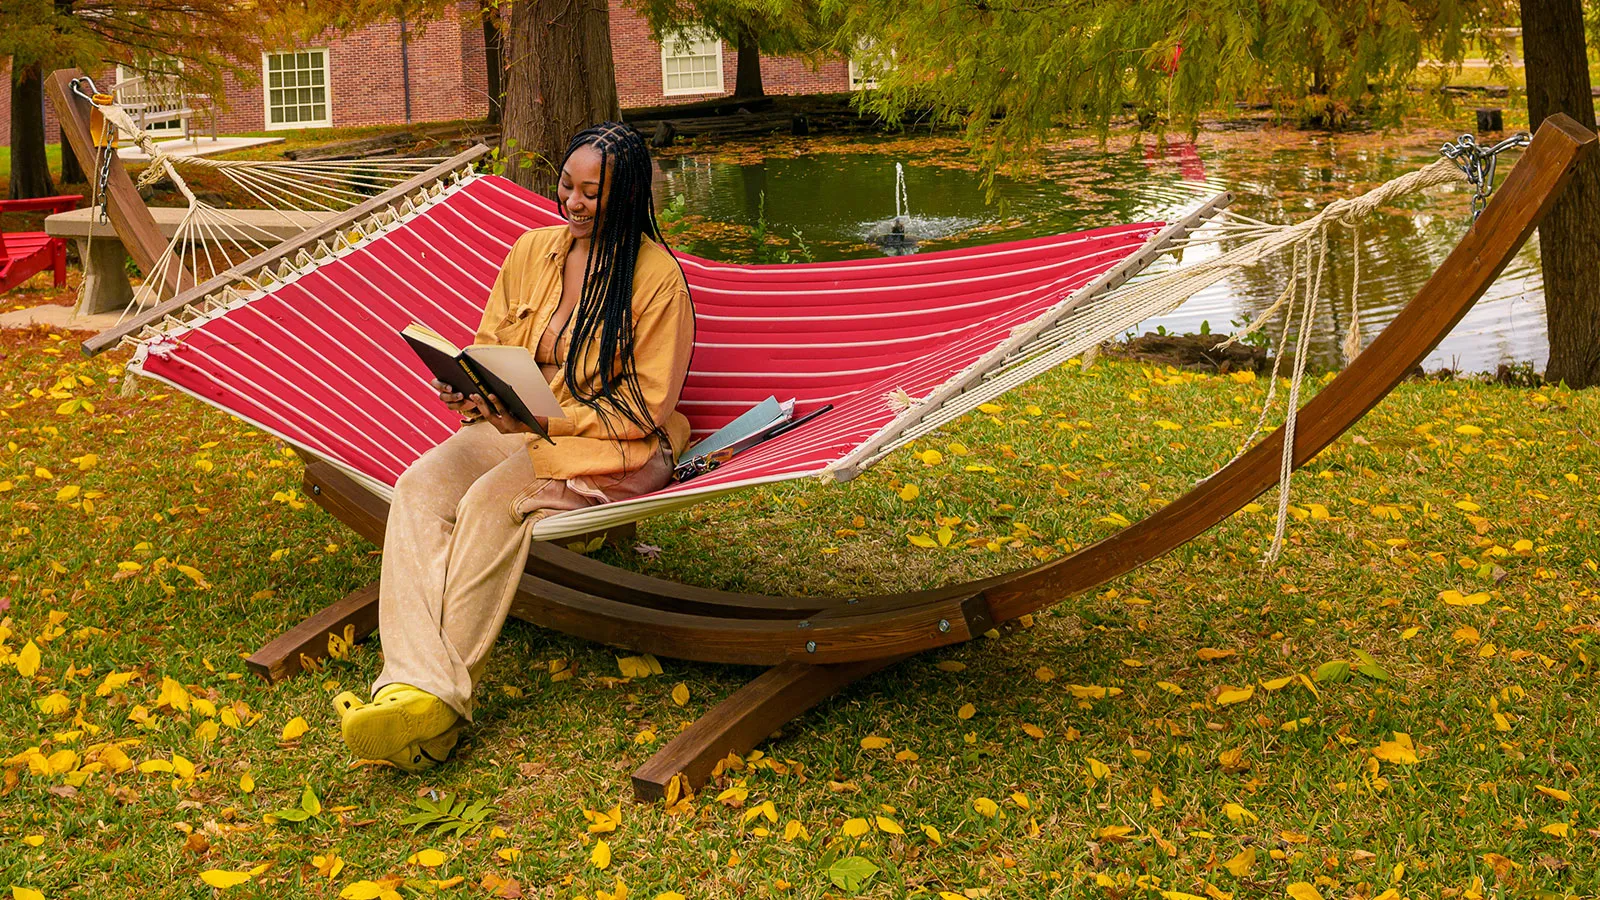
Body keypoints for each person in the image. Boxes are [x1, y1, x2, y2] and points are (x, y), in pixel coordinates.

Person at [332, 122, 696, 771]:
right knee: (420, 485)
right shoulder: (532, 251)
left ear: (630, 196)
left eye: (593, 192)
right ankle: (411, 686)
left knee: (489, 503)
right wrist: (475, 391)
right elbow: (491, 343)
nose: (574, 202)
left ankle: (432, 704)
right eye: (566, 185)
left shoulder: (656, 279)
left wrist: (547, 422)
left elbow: (646, 404)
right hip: (519, 426)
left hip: (608, 449)